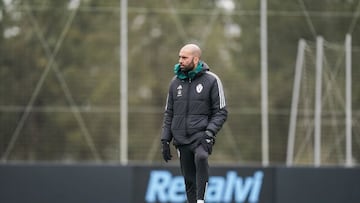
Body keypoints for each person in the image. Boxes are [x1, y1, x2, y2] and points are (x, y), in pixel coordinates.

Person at [160, 43, 228, 203]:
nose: (180, 61)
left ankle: (201, 200)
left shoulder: (212, 80)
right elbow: (169, 113)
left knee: (202, 157)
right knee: (189, 180)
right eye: (179, 57)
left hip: (201, 136)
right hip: (181, 139)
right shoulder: (175, 82)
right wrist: (165, 139)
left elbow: (221, 111)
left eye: (184, 57)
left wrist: (209, 133)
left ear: (195, 59)